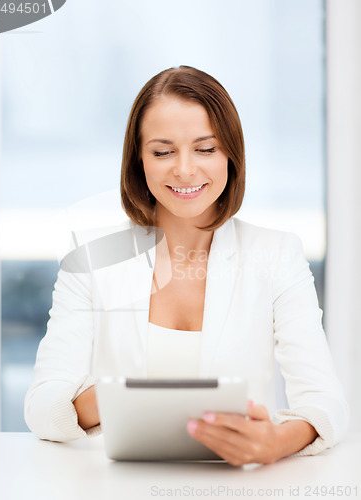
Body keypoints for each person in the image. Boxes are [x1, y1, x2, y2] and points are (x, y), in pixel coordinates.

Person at [24, 65, 349, 466]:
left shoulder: (277, 254)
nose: (184, 169)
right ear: (138, 161)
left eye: (206, 149)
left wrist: (276, 443)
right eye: (162, 152)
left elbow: (325, 402)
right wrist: (121, 399)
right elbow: (41, 407)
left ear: (231, 153)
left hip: (238, 485)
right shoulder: (92, 257)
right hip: (117, 486)